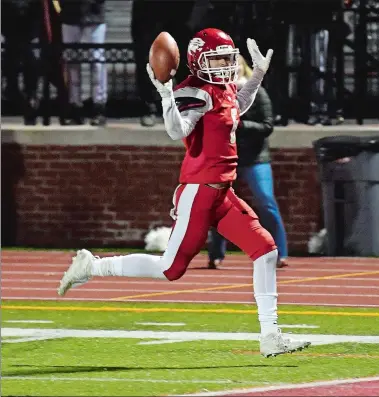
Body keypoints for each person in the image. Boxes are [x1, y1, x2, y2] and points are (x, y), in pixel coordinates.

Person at [57, 28, 310, 358]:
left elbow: (239, 104)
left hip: (222, 192)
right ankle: (92, 266)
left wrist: (258, 74)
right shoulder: (194, 91)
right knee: (170, 269)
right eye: (217, 59)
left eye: (227, 59)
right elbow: (178, 129)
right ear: (197, 61)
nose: (224, 65)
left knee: (265, 251)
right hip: (200, 191)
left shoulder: (223, 89)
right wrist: (165, 95)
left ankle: (270, 334)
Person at [207, 55, 288, 269]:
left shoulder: (257, 93)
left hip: (255, 158)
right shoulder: (217, 95)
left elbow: (268, 126)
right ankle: (216, 254)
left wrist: (242, 125)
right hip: (227, 157)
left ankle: (280, 252)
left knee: (266, 201)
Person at [59, 0, 107, 126]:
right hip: (70, 14)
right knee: (72, 63)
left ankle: (98, 107)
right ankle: (75, 106)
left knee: (97, 62)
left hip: (94, 14)